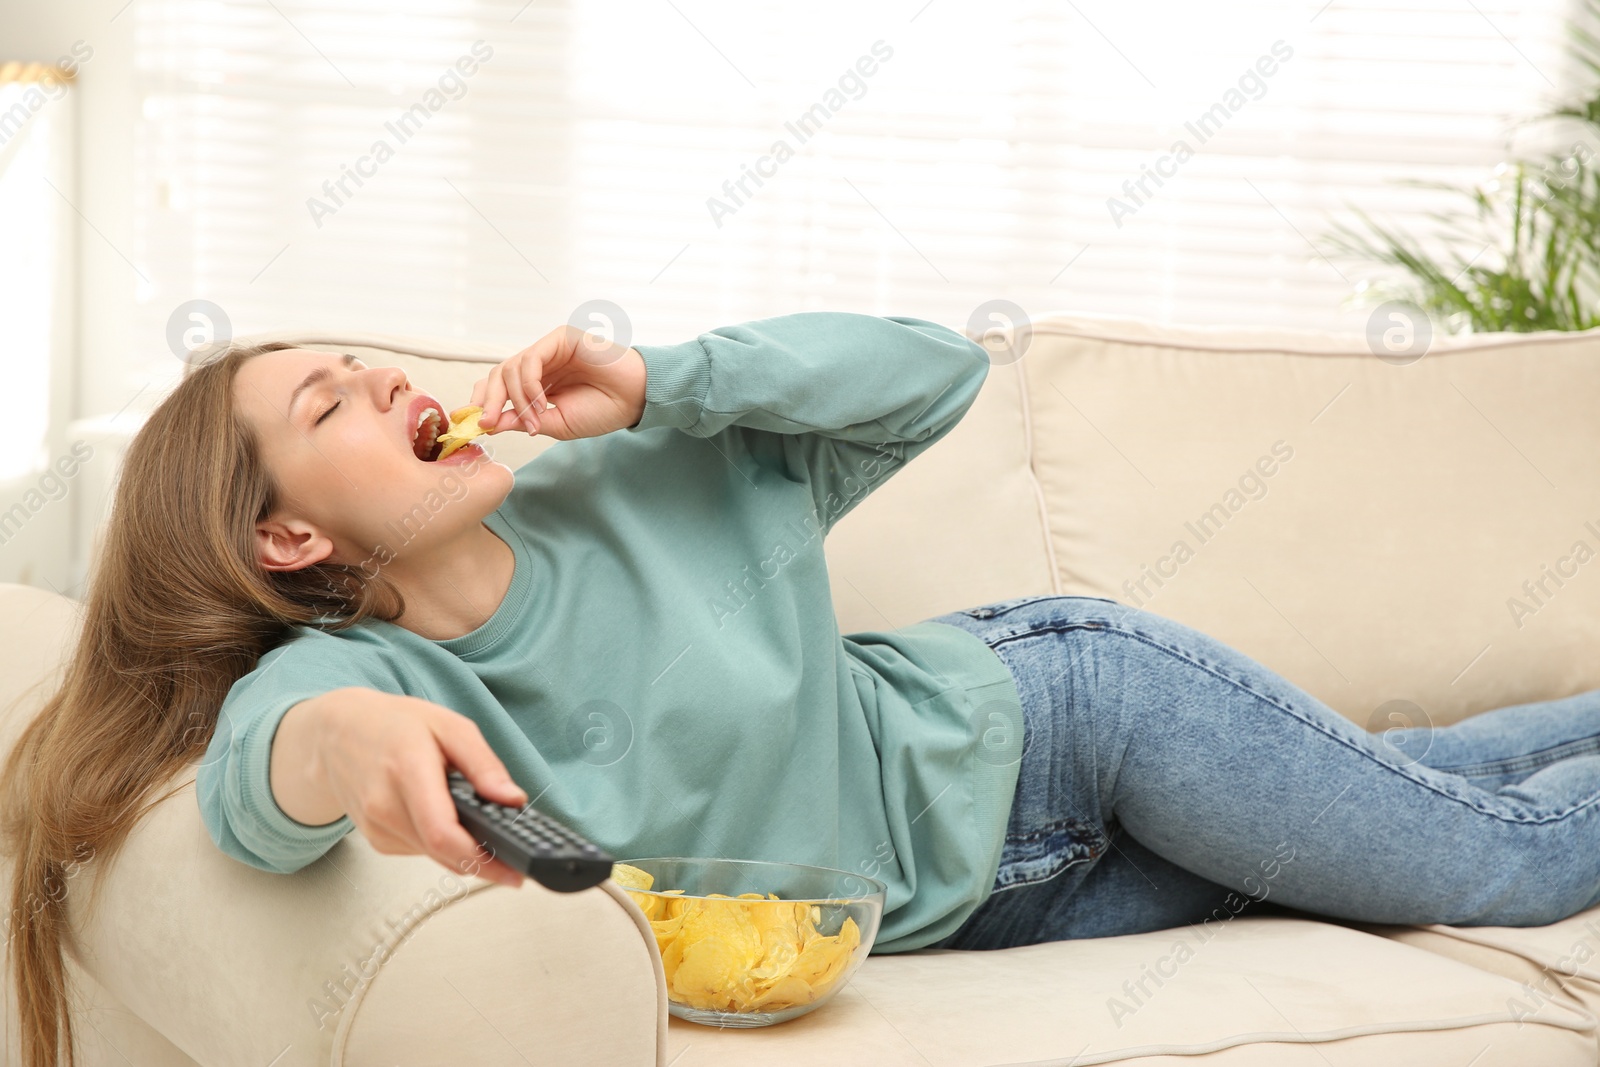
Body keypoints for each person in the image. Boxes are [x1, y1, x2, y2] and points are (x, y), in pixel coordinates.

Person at [7, 313, 1600, 1067]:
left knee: (1503, 862)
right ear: (287, 532)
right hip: (999, 903)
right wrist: (344, 732)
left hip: (1070, 729)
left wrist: (667, 383)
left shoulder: (625, 476)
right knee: (1445, 780)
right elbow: (253, 791)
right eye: (331, 402)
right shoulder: (363, 673)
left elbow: (936, 373)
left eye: (372, 363)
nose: (393, 383)